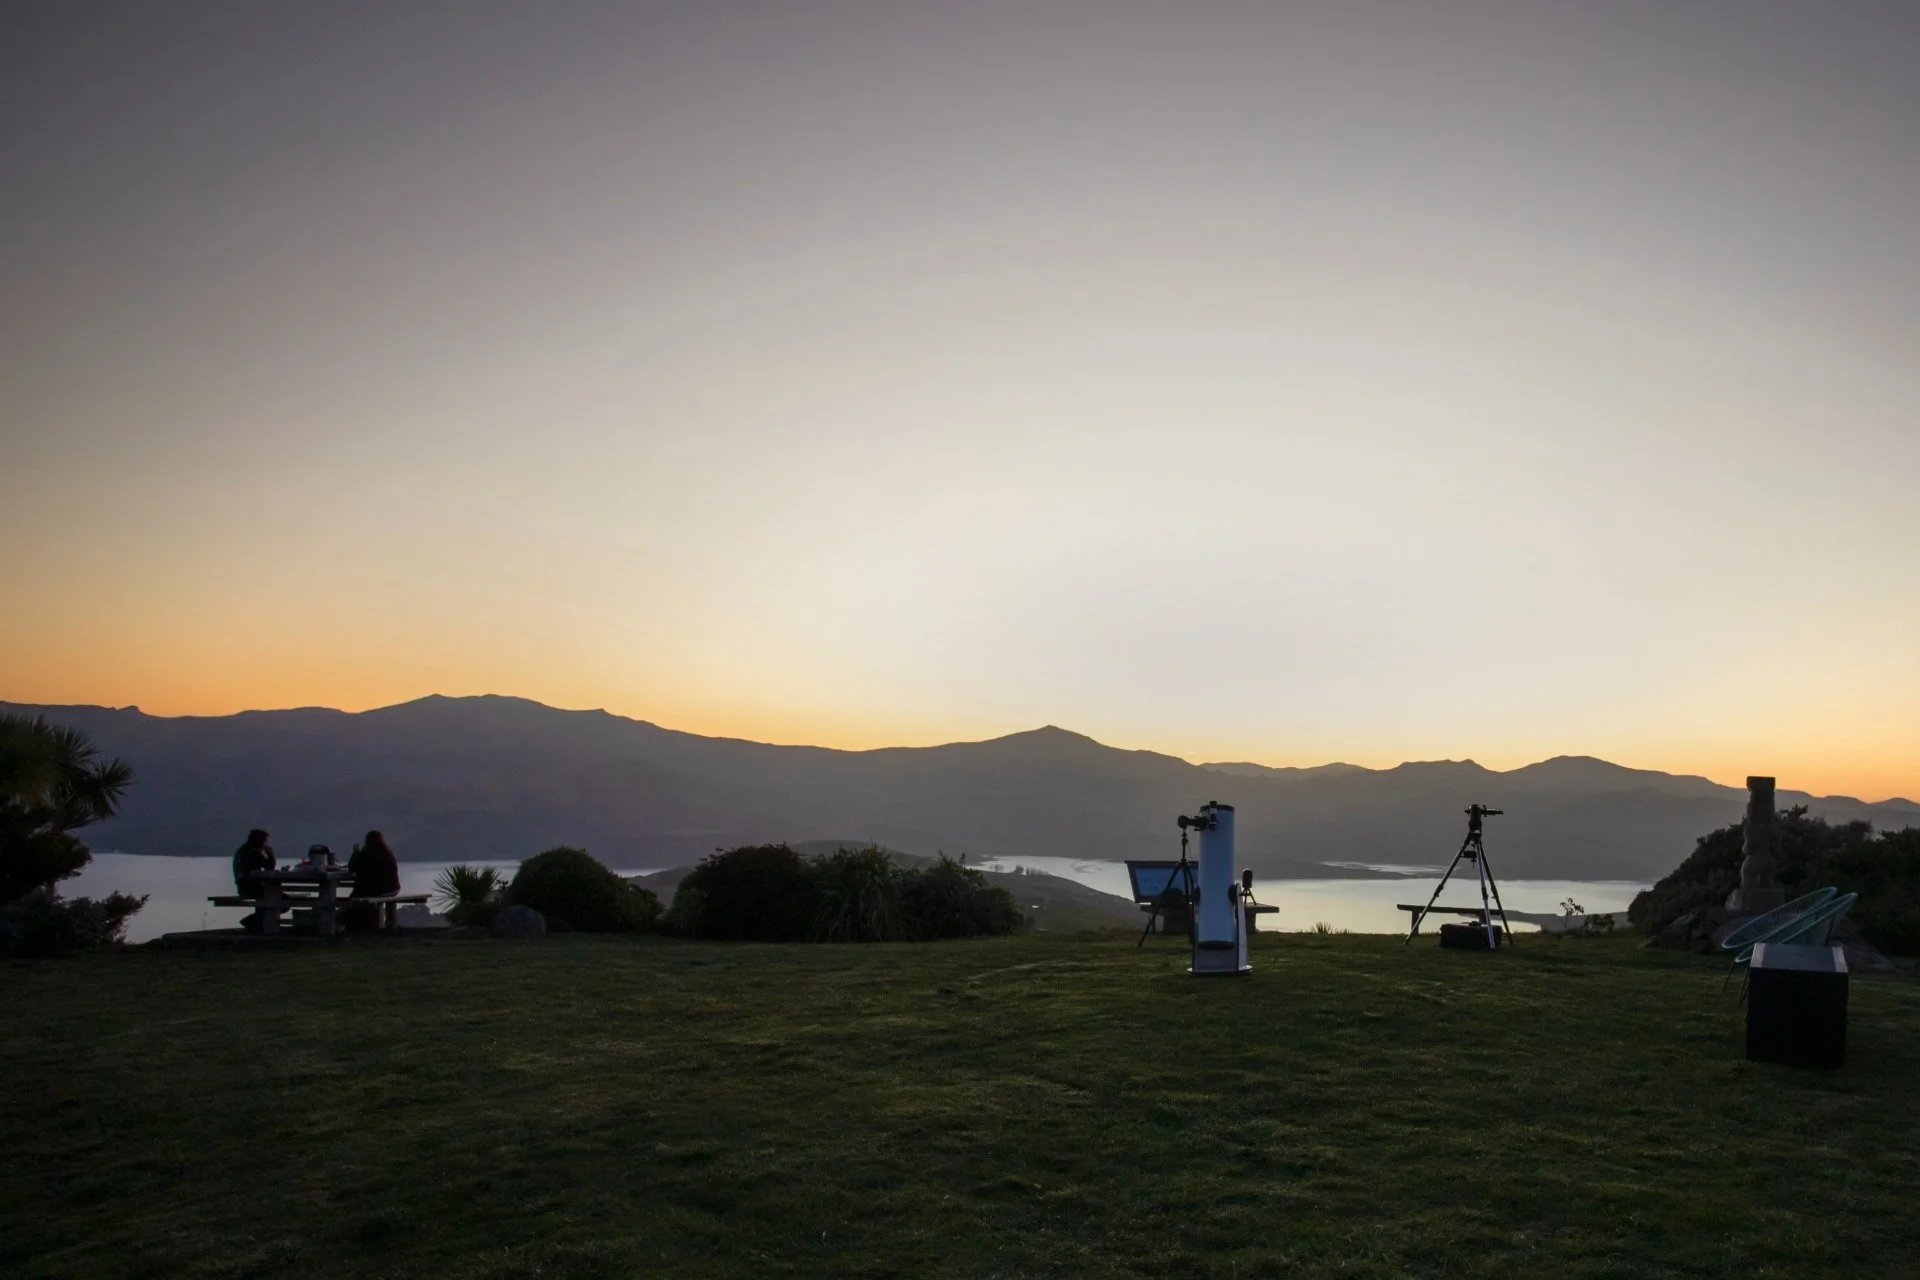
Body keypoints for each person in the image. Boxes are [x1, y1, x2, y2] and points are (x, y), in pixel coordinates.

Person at [344, 830, 402, 930]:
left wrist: (355, 852)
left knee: (355, 897)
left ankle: (354, 925)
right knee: (360, 893)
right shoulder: (388, 853)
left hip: (380, 890)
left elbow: (352, 867)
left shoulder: (367, 853)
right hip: (394, 888)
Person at [231, 829, 276, 933]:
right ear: (260, 841)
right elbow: (270, 866)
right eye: (266, 841)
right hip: (251, 888)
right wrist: (270, 852)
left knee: (272, 898)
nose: (267, 844)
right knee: (281, 900)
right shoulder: (252, 853)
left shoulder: (243, 850)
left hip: (244, 887)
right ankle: (251, 922)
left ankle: (256, 924)